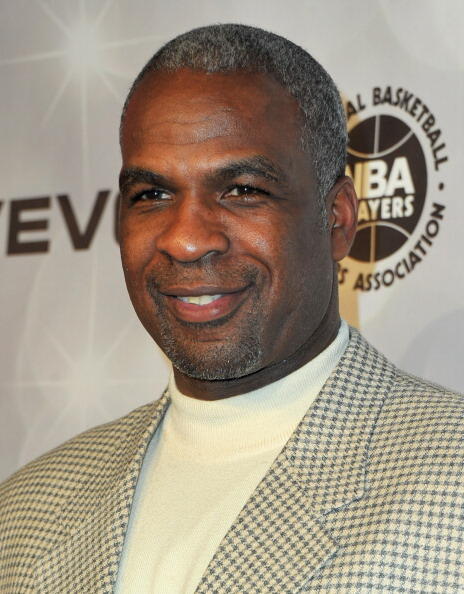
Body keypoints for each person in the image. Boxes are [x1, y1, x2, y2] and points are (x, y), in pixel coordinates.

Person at [1, 23, 463, 593]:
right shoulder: (25, 510)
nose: (186, 239)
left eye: (242, 189)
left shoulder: (450, 479)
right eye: (152, 195)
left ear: (337, 219)